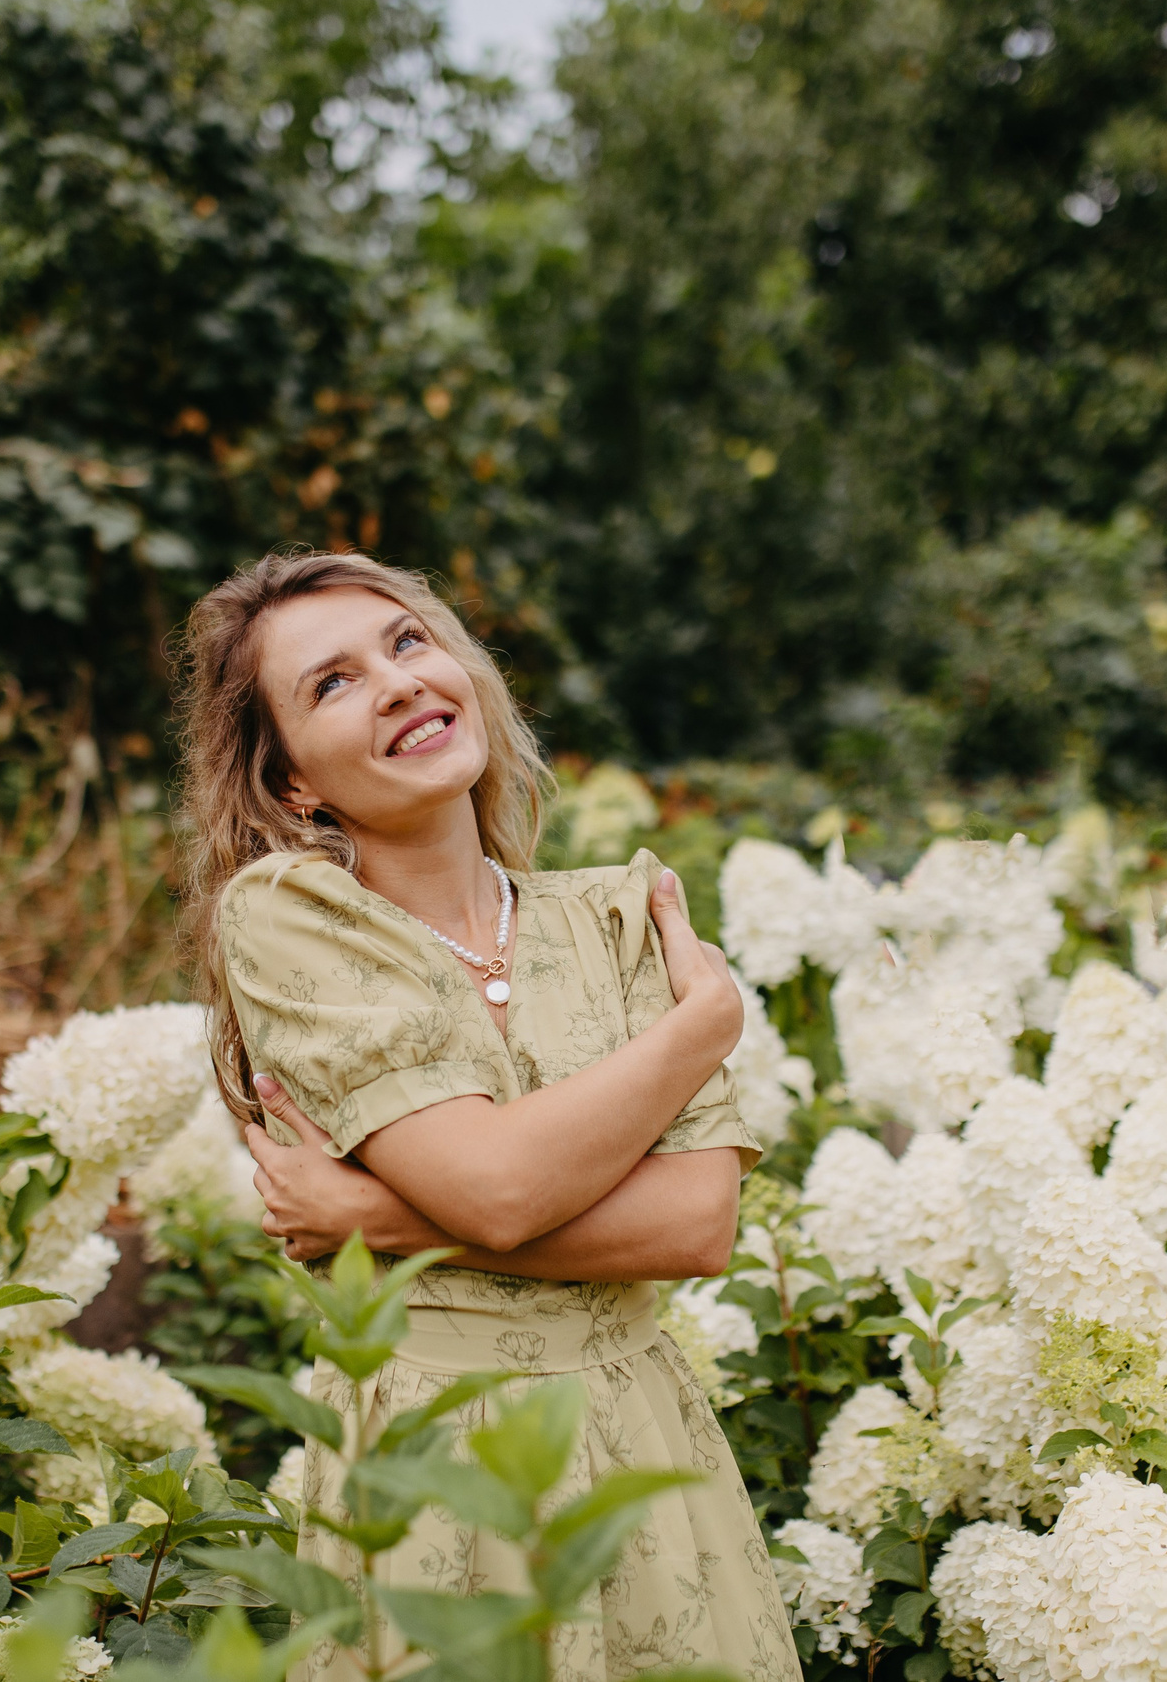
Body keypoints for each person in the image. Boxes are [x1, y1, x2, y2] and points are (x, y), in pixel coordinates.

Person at [176, 551, 804, 1680]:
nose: (398, 681)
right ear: (291, 787)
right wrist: (698, 1030)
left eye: (409, 642)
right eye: (332, 684)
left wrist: (388, 1220)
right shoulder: (291, 920)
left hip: (639, 1445)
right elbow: (500, 1191)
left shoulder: (615, 916)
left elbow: (696, 1226)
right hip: (435, 1457)